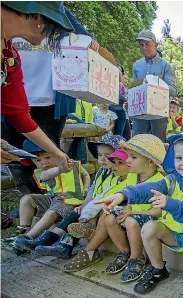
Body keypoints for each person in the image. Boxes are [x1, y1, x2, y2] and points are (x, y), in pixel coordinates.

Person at [96, 132, 183, 298]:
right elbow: (148, 189)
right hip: (175, 232)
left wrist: (169, 203)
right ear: (173, 159)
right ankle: (158, 269)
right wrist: (122, 195)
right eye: (179, 158)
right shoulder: (171, 179)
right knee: (149, 227)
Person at [65, 135, 166, 284]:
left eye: (133, 157)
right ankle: (124, 251)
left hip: (152, 219)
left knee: (131, 221)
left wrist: (133, 213)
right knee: (109, 216)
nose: (128, 160)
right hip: (133, 214)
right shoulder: (133, 176)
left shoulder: (161, 182)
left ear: (150, 161)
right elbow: (129, 200)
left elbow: (161, 211)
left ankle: (136, 257)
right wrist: (126, 209)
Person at [1, 1, 75, 170]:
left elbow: (18, 112)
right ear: (38, 17)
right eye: (53, 28)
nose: (51, 37)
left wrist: (57, 152)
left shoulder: (11, 57)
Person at [34, 135, 124, 259]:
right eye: (100, 155)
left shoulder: (119, 174)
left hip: (106, 208)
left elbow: (107, 196)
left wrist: (87, 209)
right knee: (77, 211)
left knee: (79, 217)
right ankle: (56, 242)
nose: (103, 159)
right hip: (97, 205)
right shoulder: (102, 171)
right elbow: (93, 190)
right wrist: (84, 205)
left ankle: (54, 242)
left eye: (108, 155)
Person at [63, 147, 133, 272]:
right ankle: (90, 246)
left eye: (120, 162)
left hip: (127, 212)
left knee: (105, 216)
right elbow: (101, 197)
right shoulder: (115, 178)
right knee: (101, 213)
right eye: (114, 162)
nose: (114, 165)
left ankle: (90, 250)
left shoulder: (131, 180)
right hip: (113, 210)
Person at [14, 139, 90, 252]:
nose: (44, 163)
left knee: (52, 211)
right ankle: (24, 230)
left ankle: (29, 237)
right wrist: (61, 169)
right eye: (37, 160)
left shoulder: (73, 164)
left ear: (57, 154)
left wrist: (86, 187)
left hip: (70, 200)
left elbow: (85, 175)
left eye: (48, 157)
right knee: (27, 199)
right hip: (52, 199)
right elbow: (46, 176)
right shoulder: (41, 172)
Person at [131, 30, 177, 142]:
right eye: (141, 45)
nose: (144, 47)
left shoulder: (166, 66)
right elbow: (134, 87)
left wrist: (156, 85)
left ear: (156, 45)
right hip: (140, 114)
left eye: (147, 44)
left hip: (159, 114)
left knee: (158, 146)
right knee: (138, 145)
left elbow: (173, 91)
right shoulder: (136, 65)